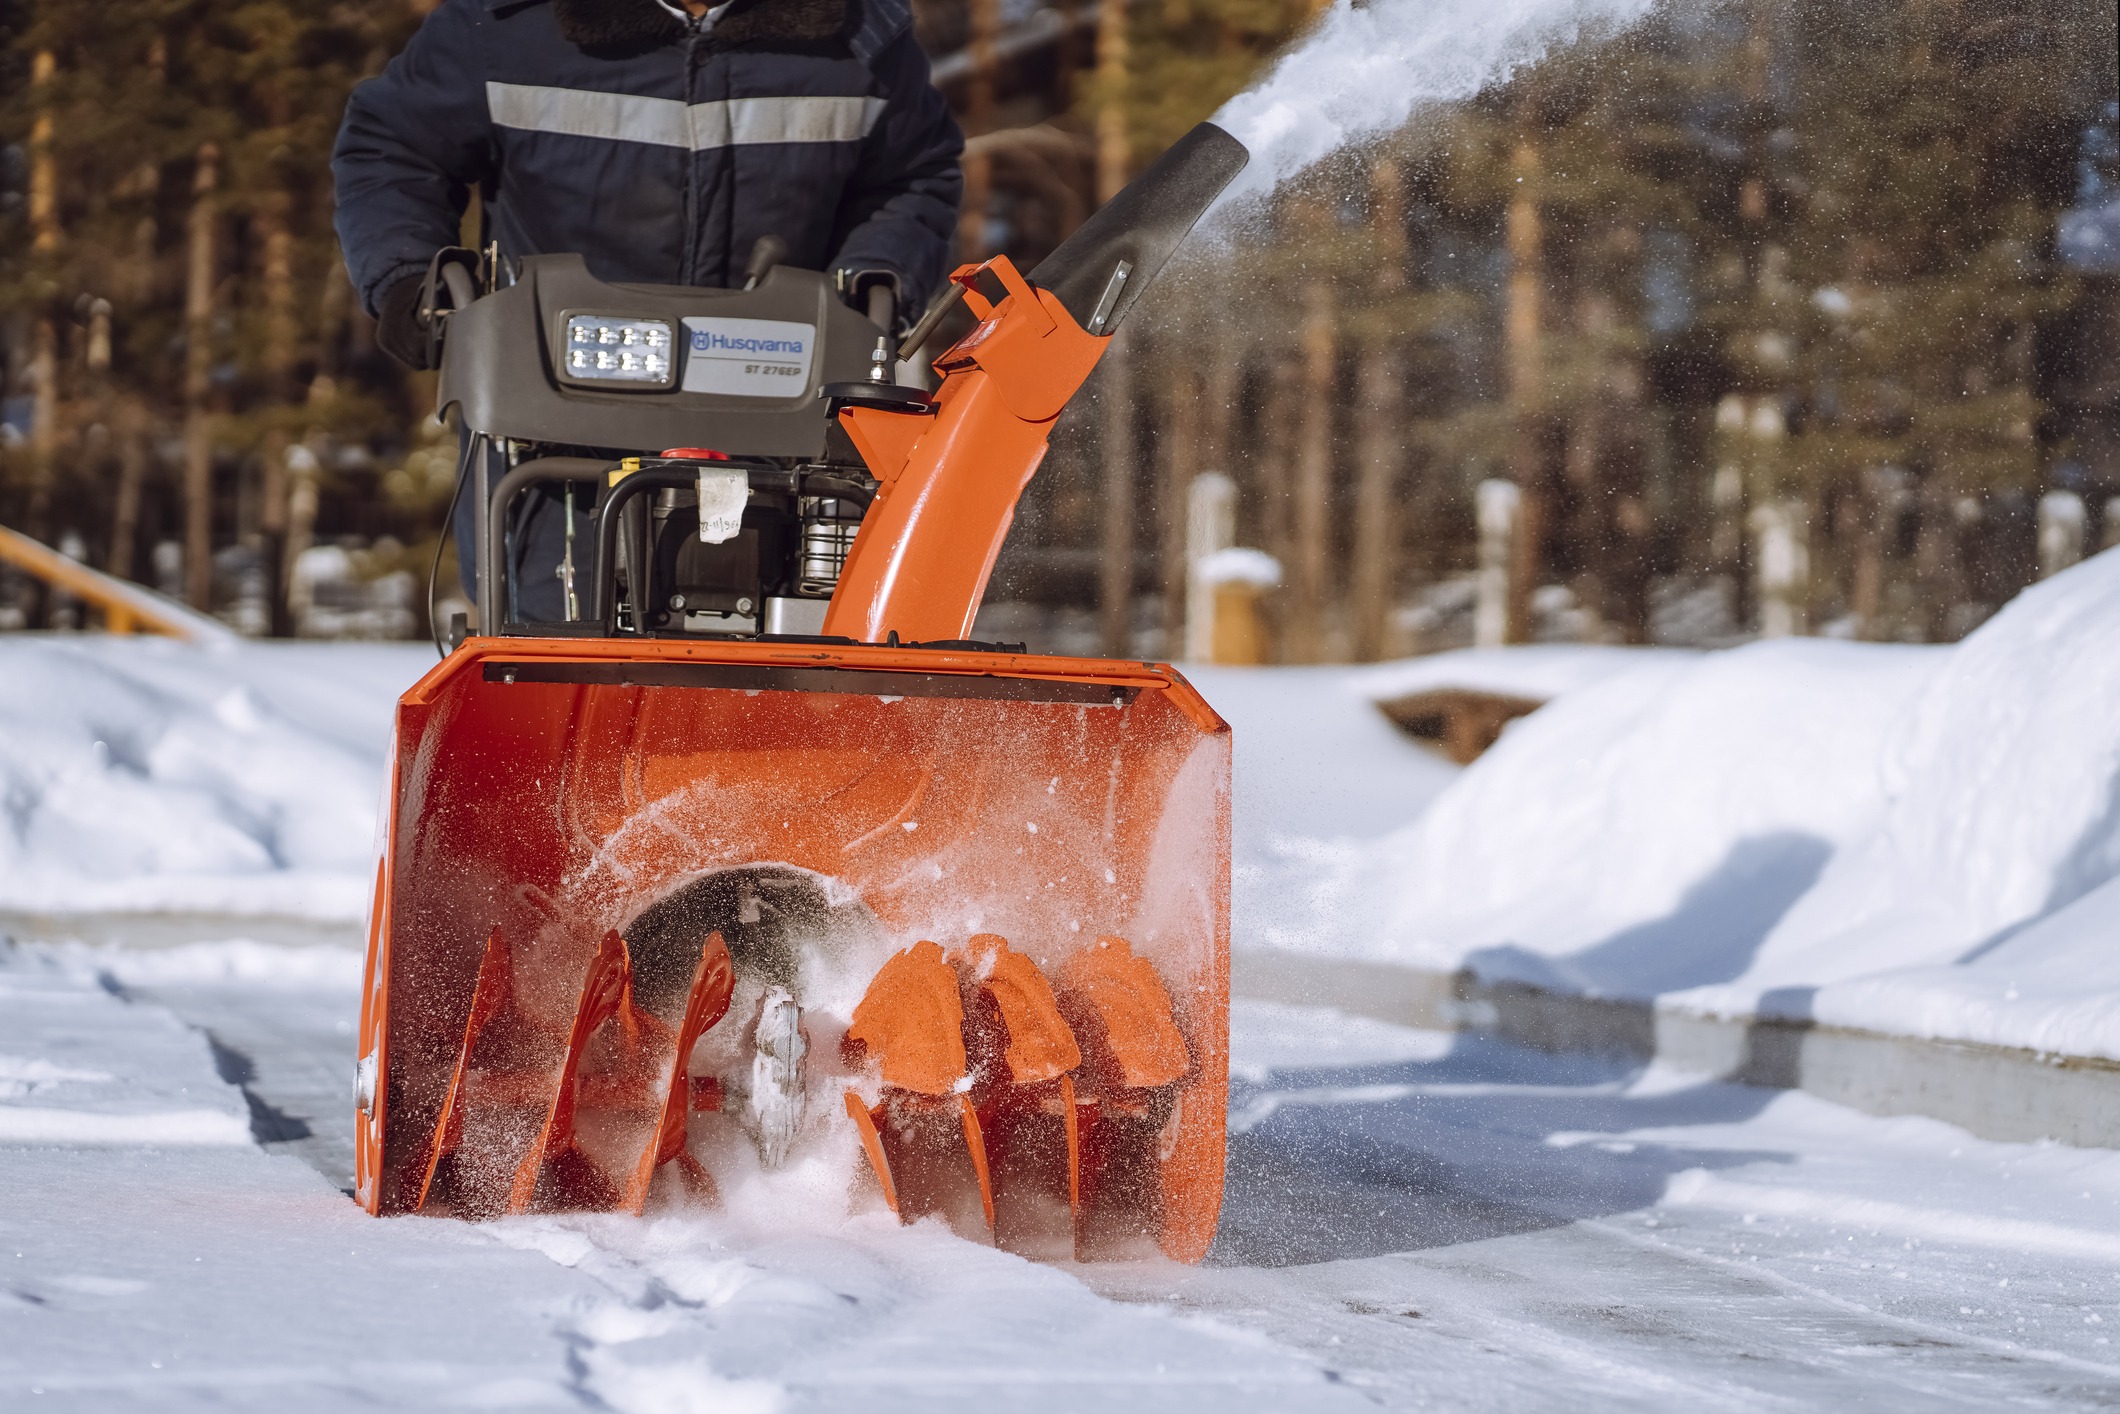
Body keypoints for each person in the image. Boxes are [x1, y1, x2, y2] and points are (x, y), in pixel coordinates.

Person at [332, 0, 963, 622]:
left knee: (767, 653)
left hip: (777, 416)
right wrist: (409, 278)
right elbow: (395, 148)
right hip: (550, 419)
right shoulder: (506, 27)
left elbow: (912, 176)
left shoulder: (857, 35)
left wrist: (875, 285)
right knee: (551, 649)